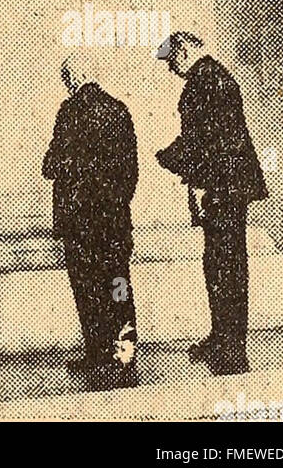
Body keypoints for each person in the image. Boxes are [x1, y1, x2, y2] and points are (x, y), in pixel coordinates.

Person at [155, 31, 268, 376]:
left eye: (173, 60)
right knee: (221, 264)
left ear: (186, 52)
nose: (172, 69)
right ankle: (223, 338)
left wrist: (169, 157)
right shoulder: (216, 77)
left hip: (222, 189)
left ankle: (230, 347)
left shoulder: (203, 83)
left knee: (225, 267)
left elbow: (204, 142)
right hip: (228, 187)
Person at [42, 54, 139, 389]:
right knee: (118, 284)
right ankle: (125, 356)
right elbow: (131, 172)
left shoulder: (69, 113)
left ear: (72, 78)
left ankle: (97, 354)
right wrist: (115, 203)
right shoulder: (119, 110)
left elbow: (50, 166)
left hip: (80, 223)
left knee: (87, 289)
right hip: (114, 220)